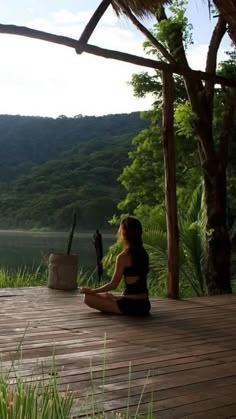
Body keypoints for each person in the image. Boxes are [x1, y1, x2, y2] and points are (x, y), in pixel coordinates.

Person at [80, 216, 150, 316]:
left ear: (124, 233)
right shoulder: (144, 254)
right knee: (107, 296)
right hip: (144, 304)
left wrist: (92, 291)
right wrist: (116, 297)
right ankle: (115, 298)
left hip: (130, 306)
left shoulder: (123, 256)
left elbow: (113, 285)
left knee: (88, 298)